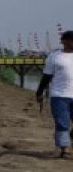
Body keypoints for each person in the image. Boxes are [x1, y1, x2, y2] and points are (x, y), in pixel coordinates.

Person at [36, 30, 73, 159]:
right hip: (59, 96)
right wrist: (39, 93)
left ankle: (68, 139)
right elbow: (46, 76)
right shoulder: (54, 57)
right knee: (62, 122)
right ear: (64, 41)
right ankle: (65, 149)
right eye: (70, 40)